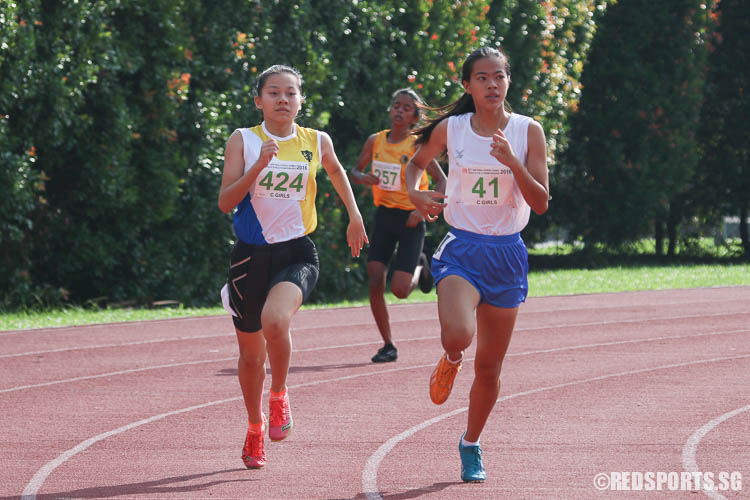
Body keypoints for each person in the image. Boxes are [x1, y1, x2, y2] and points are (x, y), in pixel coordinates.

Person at [405, 47, 549, 482]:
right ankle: (450, 357)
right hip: (463, 249)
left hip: (507, 253)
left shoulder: (529, 132)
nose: (491, 84)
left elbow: (541, 202)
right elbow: (416, 164)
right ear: (468, 85)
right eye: (482, 78)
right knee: (460, 334)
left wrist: (512, 164)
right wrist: (415, 193)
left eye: (498, 77)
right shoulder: (453, 129)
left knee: (489, 367)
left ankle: (470, 443)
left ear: (508, 83)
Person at [218, 64, 368, 469]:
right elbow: (225, 202)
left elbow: (336, 171)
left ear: (301, 101)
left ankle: (280, 394)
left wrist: (355, 216)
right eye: (273, 93)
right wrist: (256, 168)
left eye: (290, 93)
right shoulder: (244, 140)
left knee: (275, 321)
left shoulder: (316, 141)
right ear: (258, 101)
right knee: (250, 358)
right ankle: (254, 428)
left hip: (297, 253)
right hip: (250, 258)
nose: (282, 99)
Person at [351, 88, 447, 363]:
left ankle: (421, 265)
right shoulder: (376, 140)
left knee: (400, 290)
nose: (399, 110)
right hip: (384, 215)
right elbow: (354, 170)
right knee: (374, 275)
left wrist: (424, 207)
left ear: (415, 116)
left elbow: (442, 181)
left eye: (406, 107)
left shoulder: (418, 144)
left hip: (410, 219)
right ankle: (387, 344)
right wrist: (362, 177)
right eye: (396, 105)